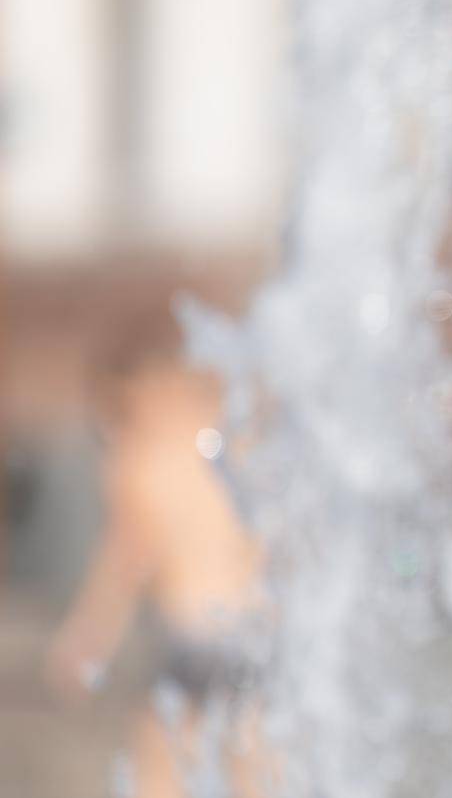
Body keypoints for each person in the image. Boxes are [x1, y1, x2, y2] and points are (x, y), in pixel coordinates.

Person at [42, 305, 271, 797]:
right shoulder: (231, 434)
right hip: (255, 638)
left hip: (193, 643)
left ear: (125, 395)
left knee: (157, 775)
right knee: (256, 776)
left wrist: (84, 645)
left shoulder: (136, 460)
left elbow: (126, 560)